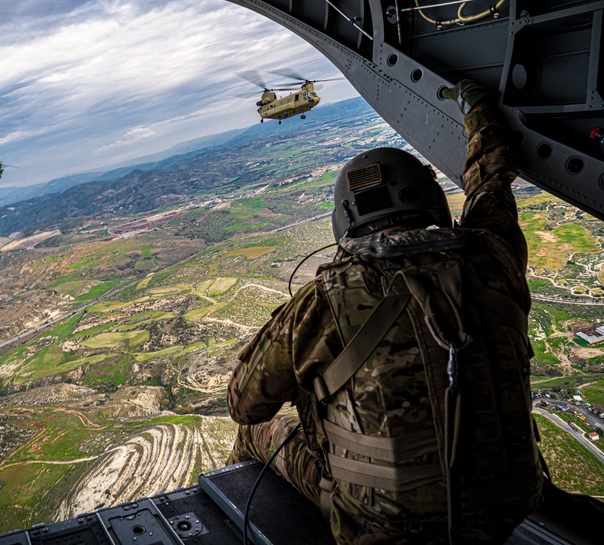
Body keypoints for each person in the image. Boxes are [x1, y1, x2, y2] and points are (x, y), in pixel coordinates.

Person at [226, 79, 545, 544]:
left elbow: (244, 404)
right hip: (509, 505)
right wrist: (476, 104)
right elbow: (490, 178)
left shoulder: (321, 302)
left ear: (345, 220)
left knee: (259, 435)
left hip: (382, 527)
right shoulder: (493, 256)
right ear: (430, 201)